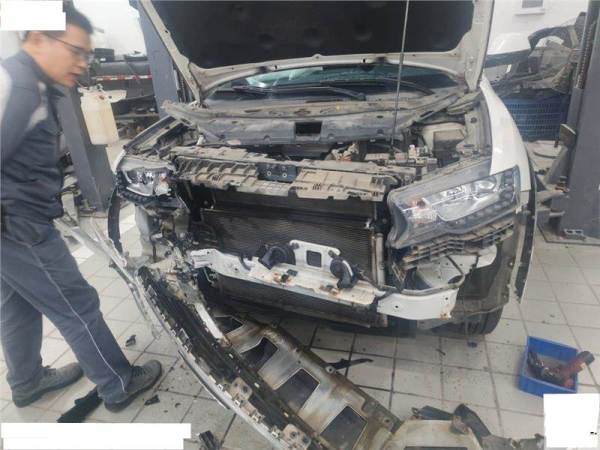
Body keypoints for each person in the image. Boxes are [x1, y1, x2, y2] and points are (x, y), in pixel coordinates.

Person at [0, 6, 162, 412]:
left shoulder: (28, 82)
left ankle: (27, 383)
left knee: (16, 304)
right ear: (38, 38)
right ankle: (118, 384)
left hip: (11, 224)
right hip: (17, 224)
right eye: (75, 51)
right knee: (76, 303)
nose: (82, 63)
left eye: (87, 54)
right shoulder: (15, 86)